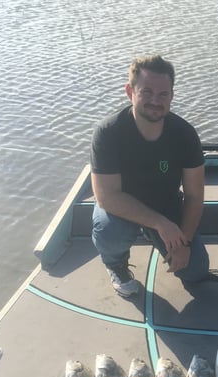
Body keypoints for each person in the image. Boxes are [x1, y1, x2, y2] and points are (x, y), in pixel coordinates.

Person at [90, 55, 209, 297]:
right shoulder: (108, 133)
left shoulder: (184, 134)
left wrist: (183, 242)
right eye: (146, 92)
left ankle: (159, 238)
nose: (155, 100)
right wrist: (160, 224)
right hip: (121, 210)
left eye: (163, 94)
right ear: (129, 91)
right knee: (109, 231)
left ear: (172, 95)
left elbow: (195, 196)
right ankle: (117, 265)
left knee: (196, 270)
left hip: (167, 205)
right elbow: (107, 197)